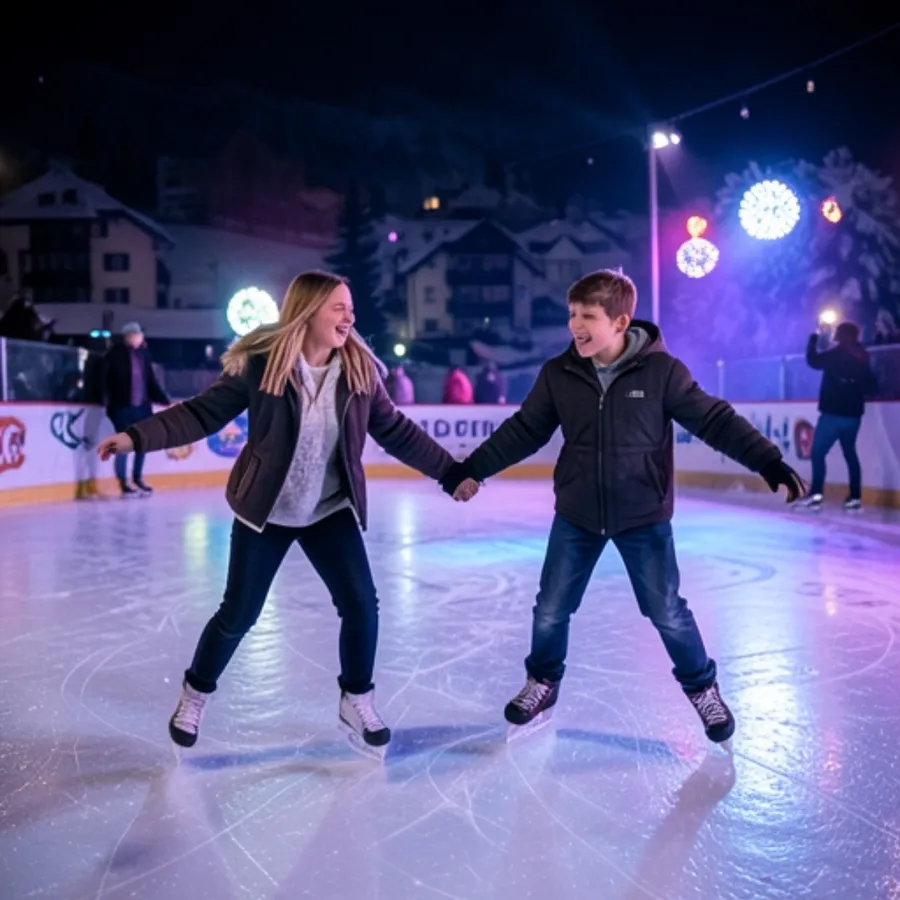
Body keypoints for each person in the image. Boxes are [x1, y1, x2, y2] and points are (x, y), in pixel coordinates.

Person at [97, 271, 479, 756]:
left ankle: (357, 698)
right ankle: (195, 693)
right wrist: (136, 437)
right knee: (239, 613)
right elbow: (201, 413)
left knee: (361, 604)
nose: (350, 317)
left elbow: (397, 431)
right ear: (308, 311)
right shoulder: (264, 365)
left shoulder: (359, 371)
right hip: (267, 509)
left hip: (328, 509)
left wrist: (450, 472)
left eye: (351, 308)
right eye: (338, 307)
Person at [440, 269, 806, 744]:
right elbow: (525, 430)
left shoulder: (662, 373)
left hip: (642, 514)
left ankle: (703, 688)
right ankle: (543, 681)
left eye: (588, 316)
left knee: (666, 610)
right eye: (572, 314)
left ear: (620, 322)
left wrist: (767, 461)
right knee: (550, 607)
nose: (575, 325)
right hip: (577, 513)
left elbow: (714, 420)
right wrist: (474, 468)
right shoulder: (559, 374)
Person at [800, 320, 877, 511]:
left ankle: (816, 495)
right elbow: (871, 385)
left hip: (833, 414)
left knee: (818, 453)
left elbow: (813, 361)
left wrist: (814, 338)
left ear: (840, 336)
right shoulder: (862, 356)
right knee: (850, 454)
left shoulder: (836, 355)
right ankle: (855, 497)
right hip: (853, 416)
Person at [102, 322, 171, 497]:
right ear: (129, 336)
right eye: (137, 335)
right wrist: (105, 400)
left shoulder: (144, 355)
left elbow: (151, 381)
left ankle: (137, 478)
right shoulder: (115, 354)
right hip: (122, 407)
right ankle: (123, 482)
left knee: (142, 443)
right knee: (124, 444)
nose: (140, 338)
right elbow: (104, 379)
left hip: (142, 407)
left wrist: (164, 400)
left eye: (140, 335)